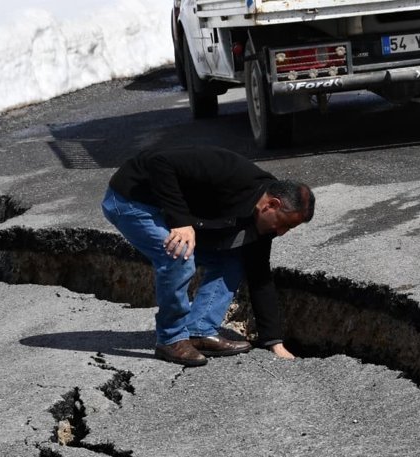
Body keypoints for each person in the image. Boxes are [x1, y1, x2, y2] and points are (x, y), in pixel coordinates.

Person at [101, 146, 314, 367]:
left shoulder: (262, 221)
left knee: (230, 260)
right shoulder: (231, 172)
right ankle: (170, 339)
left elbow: (259, 274)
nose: (281, 233)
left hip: (164, 209)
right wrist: (180, 221)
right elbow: (159, 161)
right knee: (179, 254)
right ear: (272, 205)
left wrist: (274, 341)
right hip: (131, 201)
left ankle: (199, 331)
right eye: (284, 225)